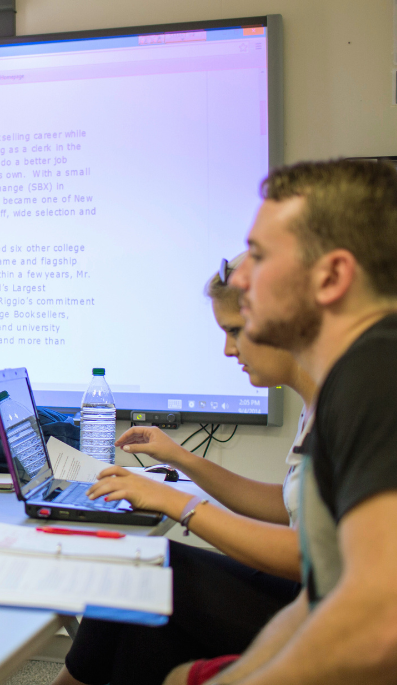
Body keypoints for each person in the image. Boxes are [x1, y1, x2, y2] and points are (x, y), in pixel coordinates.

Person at [163, 158, 397, 685]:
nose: (238, 277)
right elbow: (318, 598)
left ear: (332, 276)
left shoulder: (378, 372)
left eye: (260, 256)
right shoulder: (351, 377)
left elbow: (382, 625)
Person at [53, 254, 314, 685]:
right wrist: (180, 457)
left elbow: (308, 555)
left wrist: (179, 503)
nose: (229, 350)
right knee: (147, 630)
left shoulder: (345, 409)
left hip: (316, 612)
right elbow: (287, 504)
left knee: (143, 571)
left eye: (235, 331)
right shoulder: (314, 406)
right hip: (300, 593)